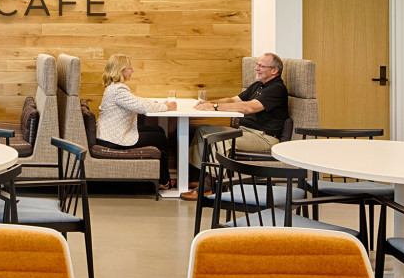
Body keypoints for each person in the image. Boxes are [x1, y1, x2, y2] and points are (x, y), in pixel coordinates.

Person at [180, 52, 289, 201]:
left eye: (261, 66)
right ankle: (202, 177)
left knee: (221, 140)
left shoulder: (277, 89)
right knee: (202, 131)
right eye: (257, 65)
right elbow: (234, 100)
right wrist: (210, 103)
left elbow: (250, 107)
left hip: (264, 137)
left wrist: (216, 107)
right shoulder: (258, 85)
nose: (256, 68)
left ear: (274, 70)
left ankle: (210, 186)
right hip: (245, 131)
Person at [96, 53, 177, 190]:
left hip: (112, 134)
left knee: (158, 130)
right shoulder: (118, 90)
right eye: (129, 68)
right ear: (121, 70)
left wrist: (156, 103)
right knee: (159, 138)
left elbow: (136, 100)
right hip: (112, 139)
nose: (132, 70)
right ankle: (164, 181)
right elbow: (141, 107)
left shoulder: (115, 87)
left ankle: (163, 179)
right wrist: (166, 107)